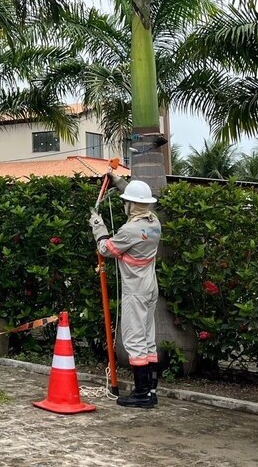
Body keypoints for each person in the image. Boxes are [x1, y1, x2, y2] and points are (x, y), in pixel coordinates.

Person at [89, 174, 161, 408]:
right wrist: (118, 181)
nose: (124, 205)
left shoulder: (130, 230)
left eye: (126, 202)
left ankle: (141, 394)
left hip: (135, 290)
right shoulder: (154, 223)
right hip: (150, 287)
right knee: (148, 337)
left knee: (134, 339)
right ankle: (151, 390)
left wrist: (98, 226)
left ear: (131, 205)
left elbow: (105, 248)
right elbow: (137, 195)